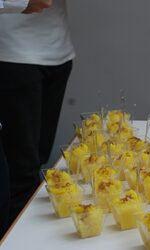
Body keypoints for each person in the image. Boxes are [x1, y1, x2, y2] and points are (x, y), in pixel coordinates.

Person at [0, 0, 75, 238]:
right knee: (20, 173)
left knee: (36, 164)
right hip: (11, 55)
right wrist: (20, 0)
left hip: (57, 52)